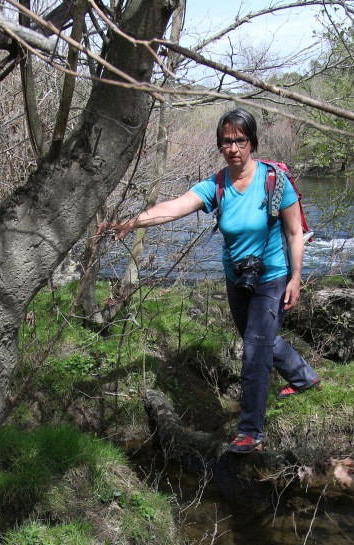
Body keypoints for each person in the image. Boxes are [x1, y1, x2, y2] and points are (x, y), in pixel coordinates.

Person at [98, 109, 321, 454]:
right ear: (220, 144)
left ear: (252, 142)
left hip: (273, 275)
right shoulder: (217, 185)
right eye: (227, 140)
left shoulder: (274, 181)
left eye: (240, 140)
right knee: (257, 338)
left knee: (254, 349)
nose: (233, 147)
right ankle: (303, 376)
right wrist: (132, 221)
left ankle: (250, 433)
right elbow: (175, 207)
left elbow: (294, 232)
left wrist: (296, 278)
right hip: (237, 277)